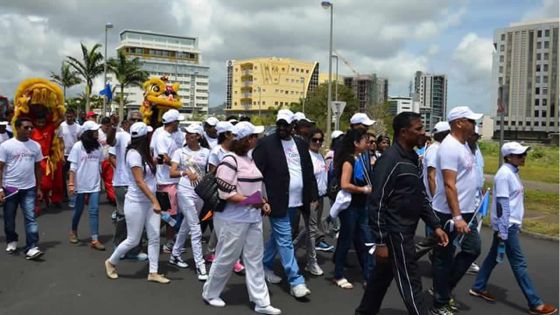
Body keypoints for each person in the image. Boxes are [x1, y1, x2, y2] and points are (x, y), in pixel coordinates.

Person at [355, 112, 449, 315]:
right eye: (418, 129)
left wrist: (436, 225)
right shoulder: (389, 160)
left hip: (407, 229)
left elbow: (420, 196)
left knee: (379, 281)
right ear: (404, 132)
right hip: (395, 233)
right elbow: (377, 203)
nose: (423, 133)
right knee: (411, 283)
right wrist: (380, 242)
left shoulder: (413, 158)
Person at [469, 142, 557, 315]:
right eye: (519, 155)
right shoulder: (504, 175)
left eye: (524, 154)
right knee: (519, 264)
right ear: (508, 157)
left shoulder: (513, 172)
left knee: (493, 257)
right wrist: (503, 230)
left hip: (510, 224)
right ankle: (535, 303)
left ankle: (478, 287)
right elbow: (502, 204)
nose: (523, 157)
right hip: (506, 226)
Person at [202, 121, 281, 315]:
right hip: (232, 218)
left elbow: (256, 185)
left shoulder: (249, 158)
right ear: (247, 139)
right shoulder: (230, 160)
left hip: (252, 216)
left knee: (254, 259)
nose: (258, 138)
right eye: (255, 136)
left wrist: (263, 200)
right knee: (226, 257)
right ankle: (210, 293)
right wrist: (251, 201)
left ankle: (261, 302)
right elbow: (224, 193)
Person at [253, 109, 315, 299]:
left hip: (296, 200)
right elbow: (255, 173)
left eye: (285, 125)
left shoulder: (300, 144)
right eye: (279, 124)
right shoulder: (266, 144)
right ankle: (296, 281)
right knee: (285, 238)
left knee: (278, 237)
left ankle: (263, 264)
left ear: (292, 126)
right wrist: (261, 198)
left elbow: (308, 171)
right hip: (276, 200)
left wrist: (312, 196)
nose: (281, 128)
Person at [430, 106, 483, 315]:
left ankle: (443, 290)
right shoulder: (450, 147)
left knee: (472, 249)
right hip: (449, 213)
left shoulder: (464, 146)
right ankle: (439, 303)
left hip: (466, 211)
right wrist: (457, 216)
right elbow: (450, 184)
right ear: (459, 122)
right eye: (471, 120)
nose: (474, 125)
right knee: (444, 257)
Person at [105, 122, 170, 284]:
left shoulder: (143, 153)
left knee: (154, 236)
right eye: (148, 134)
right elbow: (140, 182)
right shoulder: (134, 154)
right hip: (137, 202)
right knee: (133, 239)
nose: (150, 136)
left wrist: (160, 161)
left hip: (148, 202)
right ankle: (111, 262)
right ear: (144, 137)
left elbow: (148, 168)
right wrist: (155, 201)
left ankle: (153, 272)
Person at [331, 128, 372, 289]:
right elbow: (344, 184)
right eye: (365, 140)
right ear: (356, 143)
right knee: (346, 240)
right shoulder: (349, 160)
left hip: (362, 205)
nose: (368, 143)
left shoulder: (361, 157)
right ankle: (338, 274)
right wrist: (364, 190)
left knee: (366, 241)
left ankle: (369, 275)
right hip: (350, 206)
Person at [169, 123, 209, 280]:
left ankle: (175, 254)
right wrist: (184, 172)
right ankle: (200, 266)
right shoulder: (179, 151)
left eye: (191, 134)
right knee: (195, 228)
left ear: (198, 136)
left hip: (200, 193)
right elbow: (172, 172)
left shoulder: (206, 152)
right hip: (184, 191)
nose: (187, 136)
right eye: (186, 133)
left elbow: (211, 172)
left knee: (186, 223)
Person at [0, 118, 44, 260]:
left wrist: (38, 188)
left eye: (31, 127)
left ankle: (32, 247)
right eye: (26, 127)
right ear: (17, 128)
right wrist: (0, 189)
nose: (30, 130)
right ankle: (12, 239)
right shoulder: (6, 146)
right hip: (10, 188)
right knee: (9, 218)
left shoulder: (35, 146)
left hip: (29, 188)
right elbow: (0, 169)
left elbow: (38, 168)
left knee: (31, 218)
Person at [205, 121, 245, 273]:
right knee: (225, 227)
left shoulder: (235, 150)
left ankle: (211, 251)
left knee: (224, 226)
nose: (235, 136)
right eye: (232, 134)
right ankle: (232, 259)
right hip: (221, 193)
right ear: (226, 135)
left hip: (236, 191)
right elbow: (211, 173)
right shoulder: (216, 151)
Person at [108, 111, 147, 261]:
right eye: (132, 119)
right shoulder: (122, 135)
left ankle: (135, 249)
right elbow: (110, 142)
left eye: (138, 119)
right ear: (126, 122)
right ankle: (118, 246)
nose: (135, 121)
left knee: (139, 217)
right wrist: (113, 126)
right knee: (123, 217)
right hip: (123, 183)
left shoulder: (144, 138)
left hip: (140, 183)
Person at [68, 121, 105, 250]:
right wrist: (71, 184)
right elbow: (73, 167)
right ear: (88, 132)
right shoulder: (78, 146)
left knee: (94, 211)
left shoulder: (98, 147)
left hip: (94, 184)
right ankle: (73, 230)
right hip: (80, 184)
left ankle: (95, 240)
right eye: (95, 131)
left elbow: (100, 165)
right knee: (78, 210)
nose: (97, 133)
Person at [152, 109, 183, 253]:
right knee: (169, 214)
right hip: (165, 180)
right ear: (172, 122)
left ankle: (165, 240)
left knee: (171, 213)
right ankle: (164, 241)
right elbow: (164, 157)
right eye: (178, 121)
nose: (179, 123)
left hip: (174, 180)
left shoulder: (176, 134)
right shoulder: (162, 136)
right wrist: (177, 168)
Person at [307, 128, 334, 253]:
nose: (317, 142)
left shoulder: (320, 155)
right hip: (313, 196)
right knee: (311, 225)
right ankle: (312, 248)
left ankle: (317, 242)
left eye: (320, 140)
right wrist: (313, 197)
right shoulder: (308, 156)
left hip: (321, 195)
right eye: (314, 139)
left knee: (316, 222)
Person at [31, 113, 64, 213]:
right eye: (38, 122)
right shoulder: (31, 130)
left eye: (43, 122)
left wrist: (57, 109)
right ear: (35, 122)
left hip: (46, 161)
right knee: (35, 183)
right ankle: (35, 205)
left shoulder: (49, 128)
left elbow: (61, 119)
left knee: (47, 185)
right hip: (33, 161)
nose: (41, 124)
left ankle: (45, 196)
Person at [467, 126, 485, 274]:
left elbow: (480, 171)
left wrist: (482, 186)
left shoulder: (477, 150)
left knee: (476, 229)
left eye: (478, 136)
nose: (476, 139)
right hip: (466, 199)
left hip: (478, 196)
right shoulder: (462, 150)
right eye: (474, 136)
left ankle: (469, 260)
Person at [57, 109, 81, 208]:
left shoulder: (79, 128)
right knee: (62, 176)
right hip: (64, 155)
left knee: (74, 176)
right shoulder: (61, 126)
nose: (69, 118)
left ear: (74, 116)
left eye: (71, 116)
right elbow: (59, 141)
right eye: (67, 116)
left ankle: (75, 196)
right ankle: (64, 196)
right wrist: (61, 155)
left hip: (75, 155)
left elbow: (80, 141)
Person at [98, 116, 116, 205]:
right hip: (98, 161)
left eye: (109, 126)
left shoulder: (111, 132)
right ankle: (90, 198)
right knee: (96, 181)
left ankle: (111, 197)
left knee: (109, 180)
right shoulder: (97, 133)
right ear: (102, 125)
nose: (107, 128)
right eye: (106, 126)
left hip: (108, 160)